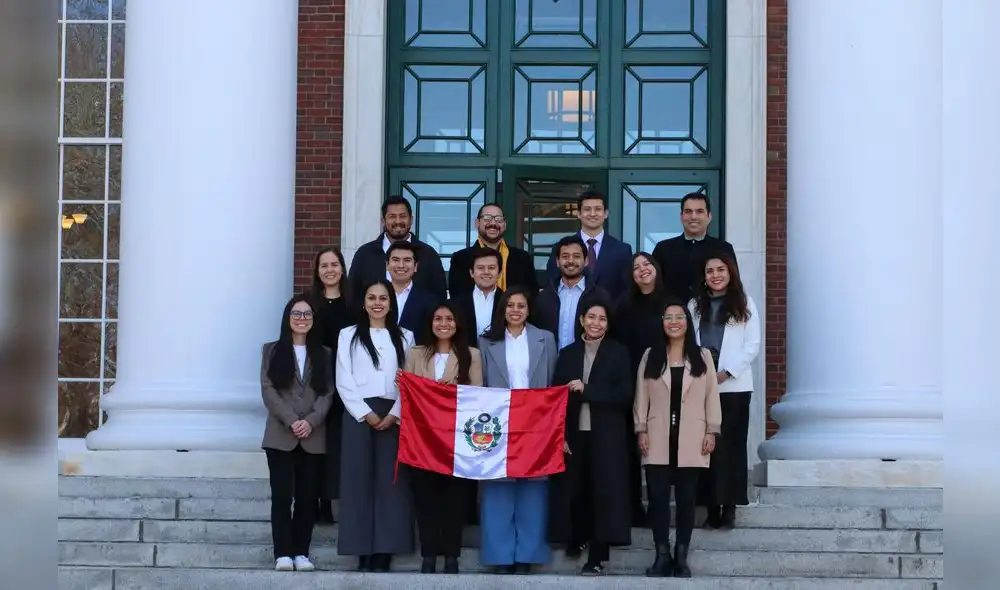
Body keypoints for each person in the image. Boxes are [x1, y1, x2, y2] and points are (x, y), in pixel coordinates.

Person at [634, 300, 721, 578]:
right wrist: (641, 429)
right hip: (657, 436)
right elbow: (641, 396)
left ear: (687, 322)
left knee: (686, 500)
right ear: (662, 322)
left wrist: (712, 430)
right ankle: (662, 555)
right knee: (658, 499)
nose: (674, 322)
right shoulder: (651, 355)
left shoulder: (703, 356)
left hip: (692, 438)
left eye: (679, 317)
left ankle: (681, 556)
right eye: (668, 317)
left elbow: (711, 396)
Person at [335, 280, 415, 572]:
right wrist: (364, 413)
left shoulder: (406, 336)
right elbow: (344, 377)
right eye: (372, 297)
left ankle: (385, 549)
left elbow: (410, 379)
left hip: (394, 415)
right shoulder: (349, 335)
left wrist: (395, 413)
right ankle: (361, 549)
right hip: (359, 413)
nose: (377, 303)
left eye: (383, 298)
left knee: (391, 483)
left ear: (391, 303)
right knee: (358, 482)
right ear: (364, 302)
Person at [549, 297, 633, 575]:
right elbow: (556, 398)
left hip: (607, 435)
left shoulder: (619, 352)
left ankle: (597, 555)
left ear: (609, 324)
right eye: (592, 317)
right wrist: (559, 435)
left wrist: (588, 390)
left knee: (603, 494)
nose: (597, 323)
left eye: (603, 319)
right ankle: (576, 537)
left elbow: (624, 396)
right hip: (573, 433)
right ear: (582, 319)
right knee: (576, 490)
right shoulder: (568, 353)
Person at [477, 286, 558, 574]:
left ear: (528, 309)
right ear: (502, 309)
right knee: (498, 487)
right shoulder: (486, 341)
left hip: (536, 421)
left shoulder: (545, 339)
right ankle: (499, 556)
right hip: (497, 422)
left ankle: (527, 554)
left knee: (533, 488)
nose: (515, 310)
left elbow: (551, 381)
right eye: (510, 305)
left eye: (521, 305)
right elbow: (481, 383)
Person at [402, 301, 483, 574]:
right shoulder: (415, 354)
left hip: (457, 442)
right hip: (422, 441)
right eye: (438, 318)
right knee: (425, 500)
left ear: (457, 322)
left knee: (453, 501)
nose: (444, 323)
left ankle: (451, 557)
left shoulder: (471, 355)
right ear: (430, 323)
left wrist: (454, 390)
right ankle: (428, 556)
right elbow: (407, 393)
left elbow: (478, 395)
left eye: (449, 318)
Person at [259, 294, 333, 572]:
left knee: (307, 498)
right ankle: (282, 553)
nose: (301, 319)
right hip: (280, 434)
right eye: (296, 314)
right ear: (287, 319)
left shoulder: (324, 353)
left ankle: (301, 552)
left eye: (307, 314)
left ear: (313, 320)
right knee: (281, 497)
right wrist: (292, 420)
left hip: (313, 436)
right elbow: (268, 390)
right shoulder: (271, 350)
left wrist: (311, 421)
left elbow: (328, 393)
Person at [689, 253, 761, 529]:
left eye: (721, 269)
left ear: (730, 272)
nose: (715, 275)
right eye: (710, 270)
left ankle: (729, 506)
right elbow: (687, 341)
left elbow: (752, 345)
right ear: (704, 276)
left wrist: (726, 372)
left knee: (731, 447)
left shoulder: (745, 303)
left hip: (734, 386)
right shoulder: (695, 305)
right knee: (706, 447)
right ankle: (711, 507)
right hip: (701, 384)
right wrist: (702, 372)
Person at [613, 252, 669, 526]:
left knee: (660, 449)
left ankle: (660, 509)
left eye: (647, 264)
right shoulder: (622, 305)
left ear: (656, 268)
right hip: (631, 383)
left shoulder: (671, 303)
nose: (643, 269)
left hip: (664, 383)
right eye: (636, 267)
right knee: (630, 450)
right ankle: (633, 508)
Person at [308, 247, 354, 524]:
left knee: (337, 443)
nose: (329, 270)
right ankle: (317, 502)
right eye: (323, 265)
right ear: (317, 271)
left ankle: (335, 499)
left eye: (334, 264)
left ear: (342, 268)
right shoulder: (307, 304)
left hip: (346, 381)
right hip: (315, 382)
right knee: (316, 443)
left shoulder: (353, 304)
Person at [348, 196, 447, 301]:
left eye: (402, 216)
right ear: (383, 220)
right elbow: (352, 295)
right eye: (392, 216)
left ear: (411, 219)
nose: (398, 221)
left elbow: (439, 298)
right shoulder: (365, 254)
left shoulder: (429, 255)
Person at [545, 190, 632, 301]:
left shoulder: (622, 250)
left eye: (598, 209)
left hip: (608, 316)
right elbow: (552, 284)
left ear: (606, 213)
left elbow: (626, 291)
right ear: (579, 214)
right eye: (587, 209)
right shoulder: (561, 248)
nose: (592, 214)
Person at [651, 192, 736, 302]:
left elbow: (734, 286)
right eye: (688, 212)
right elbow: (653, 286)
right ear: (681, 216)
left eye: (699, 211)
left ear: (709, 216)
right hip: (672, 317)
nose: (693, 217)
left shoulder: (724, 248)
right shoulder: (663, 248)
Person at [533, 235, 610, 350]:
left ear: (586, 261)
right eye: (565, 256)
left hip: (585, 364)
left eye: (576, 256)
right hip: (550, 363)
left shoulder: (599, 296)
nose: (571, 261)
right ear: (557, 262)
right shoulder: (543, 297)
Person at [449, 203, 538, 296]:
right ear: (477, 223)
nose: (493, 223)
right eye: (487, 218)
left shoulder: (522, 258)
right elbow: (457, 298)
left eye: (498, 219)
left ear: (504, 224)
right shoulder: (461, 259)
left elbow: (531, 295)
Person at [385, 241, 438, 334]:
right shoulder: (374, 297)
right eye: (395, 260)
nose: (401, 265)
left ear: (415, 266)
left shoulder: (431, 302)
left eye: (407, 260)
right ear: (387, 265)